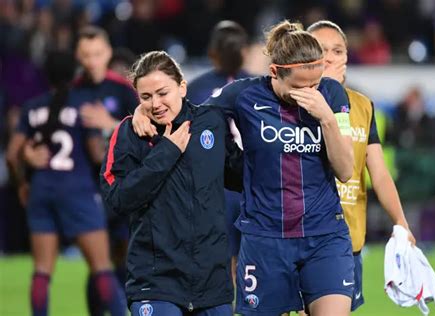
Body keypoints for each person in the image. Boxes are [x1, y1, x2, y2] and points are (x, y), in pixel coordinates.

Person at [133, 21, 355, 316]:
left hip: (324, 234)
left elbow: (345, 170)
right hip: (265, 239)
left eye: (315, 84)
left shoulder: (332, 96)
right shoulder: (243, 95)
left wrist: (326, 118)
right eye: (300, 87)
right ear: (275, 72)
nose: (310, 94)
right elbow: (191, 115)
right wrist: (143, 110)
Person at [99, 50, 243, 316]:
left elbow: (242, 176)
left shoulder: (210, 123)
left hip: (212, 285)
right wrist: (167, 152)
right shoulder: (130, 134)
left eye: (162, 93)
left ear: (182, 87)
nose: (155, 103)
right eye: (146, 97)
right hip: (155, 283)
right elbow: (118, 199)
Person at [6, 51, 126, 316]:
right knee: (102, 268)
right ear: (75, 74)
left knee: (42, 271)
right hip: (78, 190)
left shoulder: (32, 107)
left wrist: (23, 184)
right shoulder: (84, 105)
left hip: (41, 190)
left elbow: (12, 155)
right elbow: (96, 152)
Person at [307, 20, 416, 311]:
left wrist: (401, 222)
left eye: (338, 50)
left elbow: (379, 174)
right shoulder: (293, 104)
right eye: (321, 50)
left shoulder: (363, 106)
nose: (330, 57)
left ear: (346, 57)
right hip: (300, 237)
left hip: (348, 239)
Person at [73, 26, 138, 313]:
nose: (92, 61)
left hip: (122, 185)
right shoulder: (71, 92)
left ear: (108, 53)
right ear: (78, 56)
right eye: (86, 55)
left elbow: (144, 134)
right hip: (85, 188)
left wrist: (110, 124)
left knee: (124, 253)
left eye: (97, 54)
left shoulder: (123, 90)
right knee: (97, 259)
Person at [187, 19, 250, 287]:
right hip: (257, 182)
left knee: (218, 270)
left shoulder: (197, 89)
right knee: (256, 266)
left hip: (215, 187)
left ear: (212, 52)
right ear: (244, 51)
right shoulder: (261, 85)